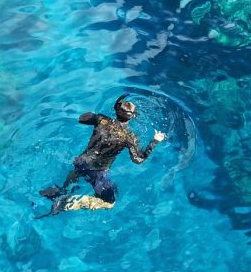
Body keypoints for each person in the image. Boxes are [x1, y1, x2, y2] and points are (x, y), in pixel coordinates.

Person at [37, 93, 166, 217]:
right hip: (97, 171)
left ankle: (60, 191)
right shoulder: (130, 137)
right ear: (132, 117)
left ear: (116, 110)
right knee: (109, 203)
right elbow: (138, 159)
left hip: (81, 161)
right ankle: (67, 202)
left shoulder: (102, 120)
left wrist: (97, 115)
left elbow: (81, 118)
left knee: (78, 171)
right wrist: (154, 141)